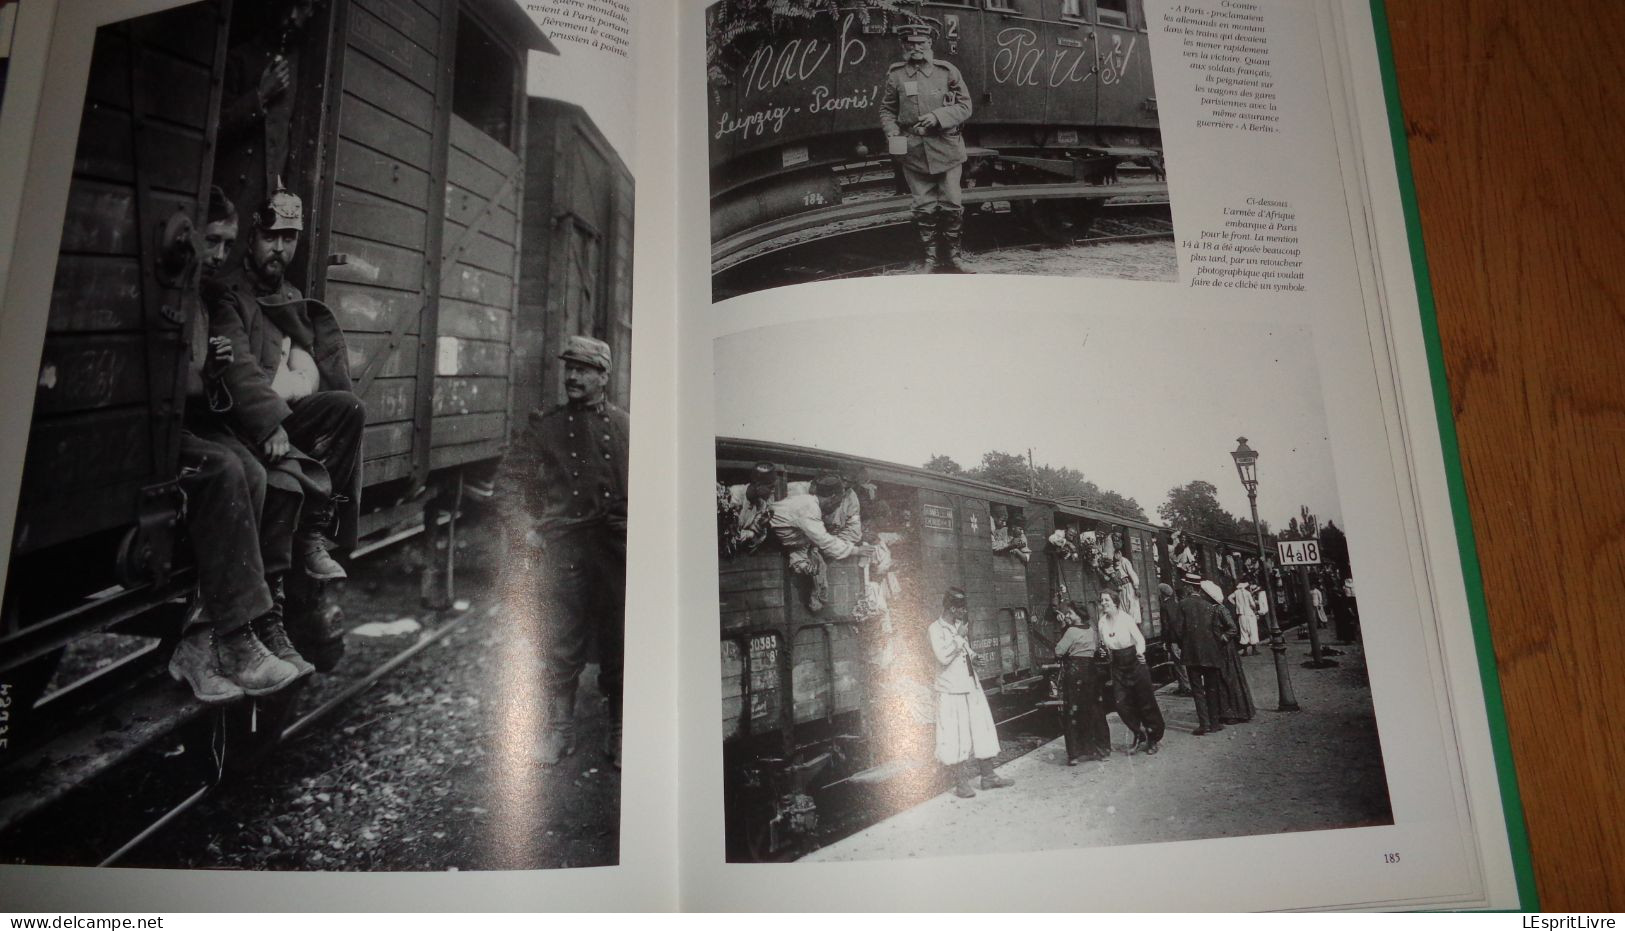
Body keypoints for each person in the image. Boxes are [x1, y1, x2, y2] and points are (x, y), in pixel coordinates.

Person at [167, 188, 305, 700]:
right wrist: (213, 376)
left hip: (196, 424)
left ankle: (228, 637)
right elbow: (180, 383)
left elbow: (209, 386)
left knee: (252, 470)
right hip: (167, 434)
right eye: (212, 242)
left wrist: (215, 371)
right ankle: (229, 639)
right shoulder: (191, 292)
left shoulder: (203, 296)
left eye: (225, 243)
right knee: (230, 468)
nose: (219, 256)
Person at [499, 335, 630, 768]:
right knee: (560, 637)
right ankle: (560, 730)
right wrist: (526, 531)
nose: (572, 376)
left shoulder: (629, 427)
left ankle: (619, 730)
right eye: (569, 368)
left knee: (619, 637)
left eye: (584, 369)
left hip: (615, 548)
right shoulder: (545, 427)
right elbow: (509, 484)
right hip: (564, 546)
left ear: (603, 377)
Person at [879, 24, 974, 274]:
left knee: (952, 203)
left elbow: (965, 106)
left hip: (947, 148)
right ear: (903, 47)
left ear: (930, 44)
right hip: (913, 151)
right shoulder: (896, 75)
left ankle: (955, 258)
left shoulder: (947, 71)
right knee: (923, 207)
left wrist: (938, 116)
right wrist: (891, 131)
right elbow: (887, 109)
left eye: (921, 43)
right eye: (910, 45)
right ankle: (930, 259)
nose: (916, 49)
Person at [929, 587, 1013, 797]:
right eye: (961, 608)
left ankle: (988, 777)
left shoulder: (958, 627)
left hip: (970, 686)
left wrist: (974, 657)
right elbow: (943, 657)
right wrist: (958, 638)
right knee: (955, 736)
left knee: (982, 730)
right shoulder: (935, 629)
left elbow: (964, 650)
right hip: (951, 691)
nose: (964, 612)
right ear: (950, 608)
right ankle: (961, 783)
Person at [770, 475, 873, 611]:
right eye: (837, 503)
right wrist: (856, 551)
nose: (837, 507)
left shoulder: (810, 504)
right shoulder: (809, 508)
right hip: (767, 539)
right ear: (832, 497)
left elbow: (804, 540)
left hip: (786, 541)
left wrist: (804, 563)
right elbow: (824, 541)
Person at [1098, 591, 1165, 754]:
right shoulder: (1102, 623)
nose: (1103, 603)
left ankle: (1152, 738)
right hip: (1118, 665)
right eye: (1102, 600)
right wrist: (1103, 652)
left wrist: (1141, 652)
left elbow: (1139, 639)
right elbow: (1105, 645)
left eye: (1107, 600)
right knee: (1121, 704)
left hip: (1134, 661)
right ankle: (1138, 733)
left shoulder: (1125, 619)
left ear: (1115, 602)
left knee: (1145, 702)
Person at [1053, 598, 1110, 765]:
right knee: (1094, 710)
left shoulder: (1071, 631)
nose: (1067, 616)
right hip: (1090, 672)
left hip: (1075, 673)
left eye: (1070, 613)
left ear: (1077, 615)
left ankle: (1075, 754)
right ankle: (1101, 749)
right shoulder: (1091, 630)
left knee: (1073, 711)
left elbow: (1058, 651)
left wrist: (1064, 628)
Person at [1175, 575, 1224, 735]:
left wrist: (1185, 645)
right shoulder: (1210, 606)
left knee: (1197, 689)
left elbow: (1178, 631)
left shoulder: (1183, 605)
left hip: (1192, 654)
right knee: (1212, 688)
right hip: (1211, 653)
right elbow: (1217, 630)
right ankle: (1215, 723)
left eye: (1185, 586)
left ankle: (1204, 725)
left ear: (1189, 587)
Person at [1202, 580, 1255, 724]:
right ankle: (1228, 711)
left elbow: (1232, 628)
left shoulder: (1220, 609)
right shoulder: (1214, 609)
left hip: (1225, 650)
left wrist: (1222, 638)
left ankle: (1236, 712)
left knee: (1228, 679)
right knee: (1223, 679)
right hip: (1220, 650)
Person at [1158, 581, 1193, 696]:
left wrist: (1164, 640)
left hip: (1172, 639)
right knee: (1180, 663)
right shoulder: (1176, 603)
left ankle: (1186, 688)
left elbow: (1166, 625)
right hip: (1178, 638)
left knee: (1179, 663)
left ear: (1162, 594)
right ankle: (1182, 686)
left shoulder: (1164, 606)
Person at [1228, 580, 1261, 656]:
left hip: (1241, 614)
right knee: (1252, 630)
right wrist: (1254, 606)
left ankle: (1245, 651)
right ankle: (1254, 650)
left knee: (1243, 632)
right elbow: (1252, 604)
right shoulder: (1247, 593)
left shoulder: (1236, 592)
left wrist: (1236, 604)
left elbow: (1229, 597)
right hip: (1249, 614)